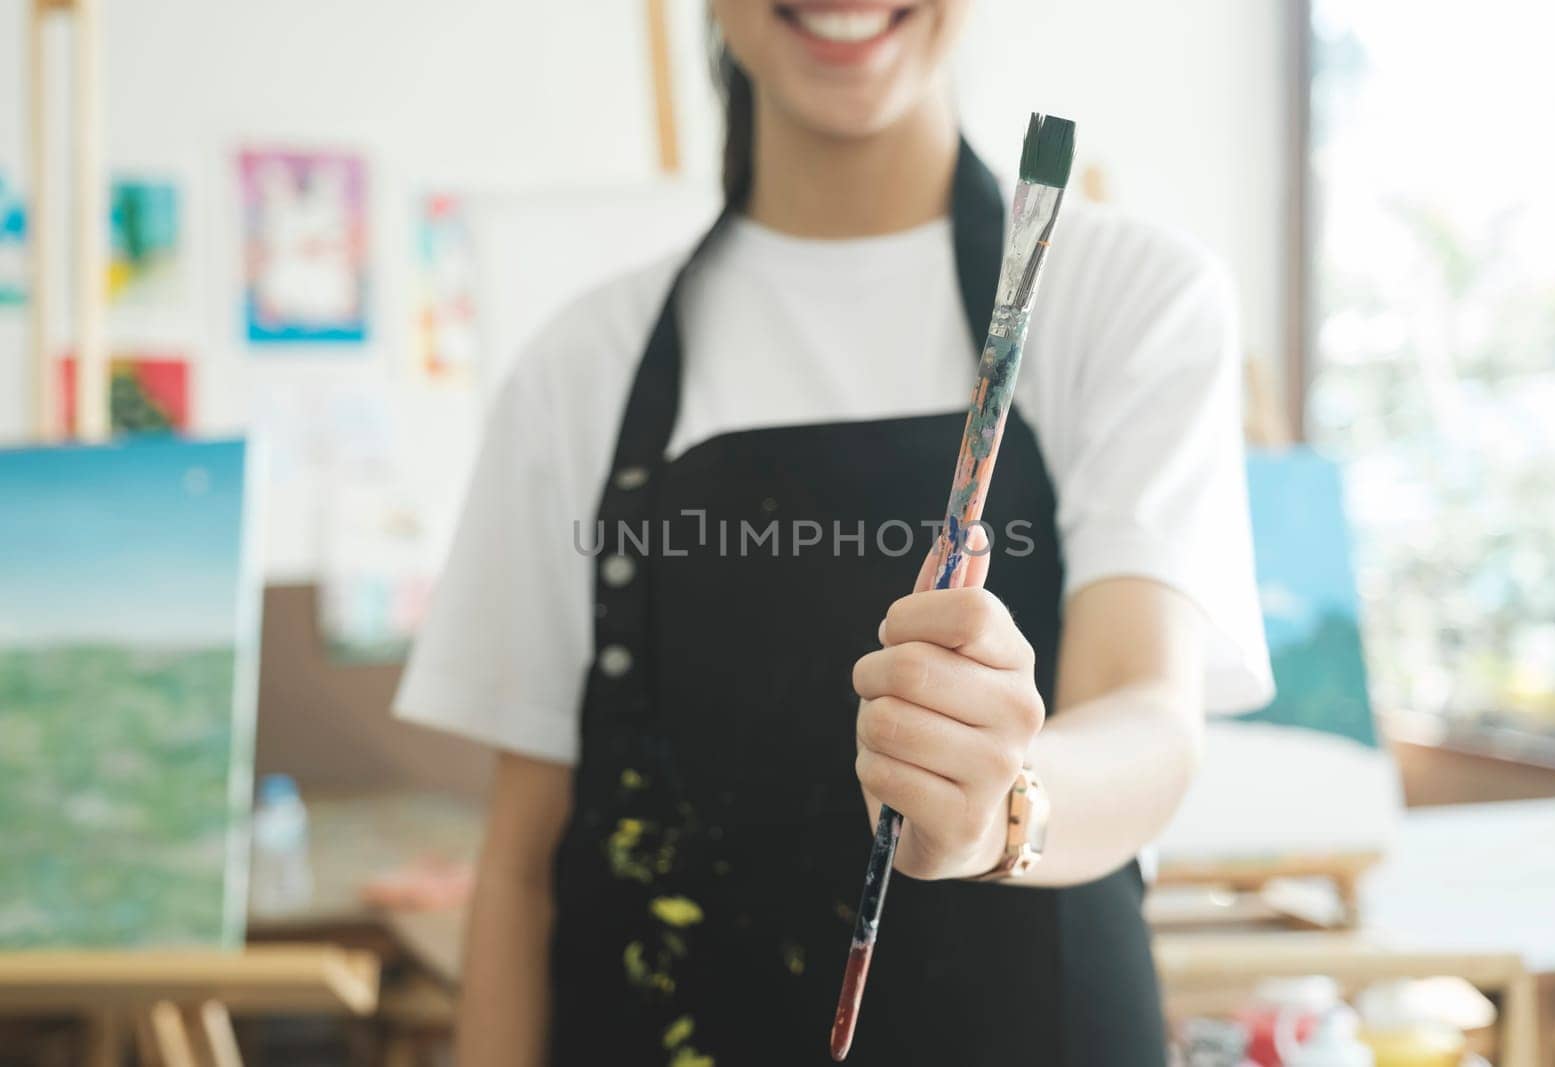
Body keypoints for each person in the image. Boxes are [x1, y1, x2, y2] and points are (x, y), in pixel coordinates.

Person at [395, 2, 1273, 1064]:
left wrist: (1003, 802)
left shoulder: (1130, 298)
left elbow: (1150, 717)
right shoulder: (578, 368)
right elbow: (524, 864)